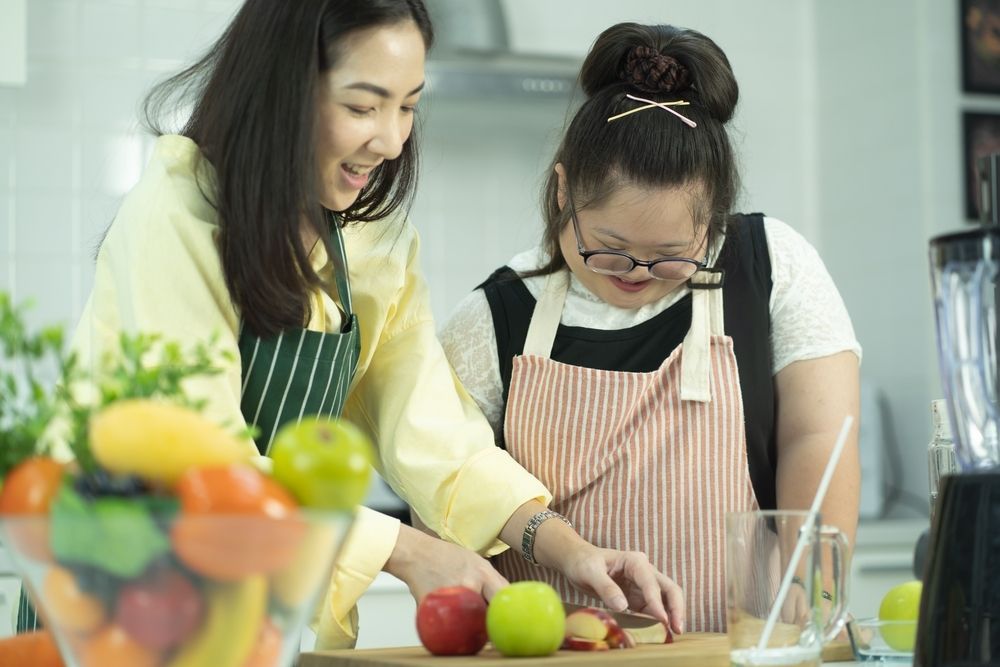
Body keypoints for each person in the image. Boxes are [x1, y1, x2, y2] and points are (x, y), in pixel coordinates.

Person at [29, 0, 686, 649]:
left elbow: (429, 427)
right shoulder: (176, 216)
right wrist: (402, 549)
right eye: (362, 106)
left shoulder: (368, 237)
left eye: (407, 105)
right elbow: (202, 462)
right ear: (284, 89)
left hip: (245, 607)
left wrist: (564, 544)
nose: (393, 138)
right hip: (114, 602)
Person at [440, 21, 862, 633]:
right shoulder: (495, 317)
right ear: (562, 193)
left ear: (712, 222)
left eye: (670, 255)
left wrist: (810, 602)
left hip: (750, 648)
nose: (636, 274)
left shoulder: (772, 267)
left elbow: (817, 438)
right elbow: (444, 489)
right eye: (609, 250)